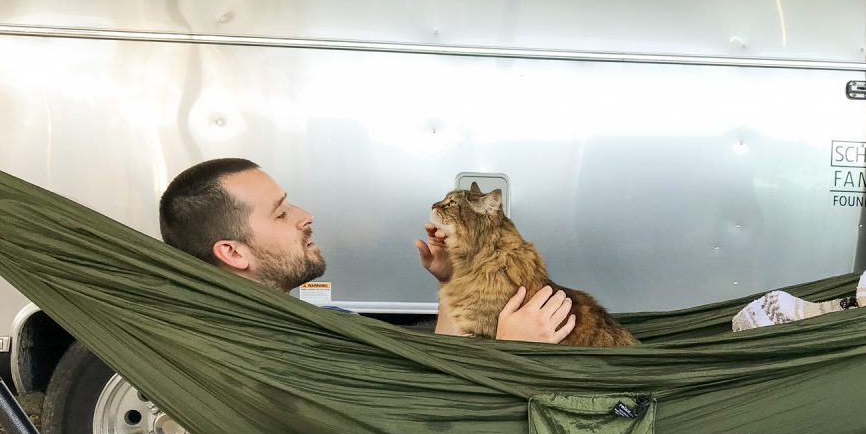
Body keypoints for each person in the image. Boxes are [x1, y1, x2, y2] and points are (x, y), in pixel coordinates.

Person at [158, 158, 575, 343]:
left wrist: (451, 281)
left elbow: (440, 374)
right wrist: (513, 352)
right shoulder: (286, 353)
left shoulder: (322, 325)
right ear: (232, 253)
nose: (306, 215)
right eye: (281, 213)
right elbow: (431, 429)